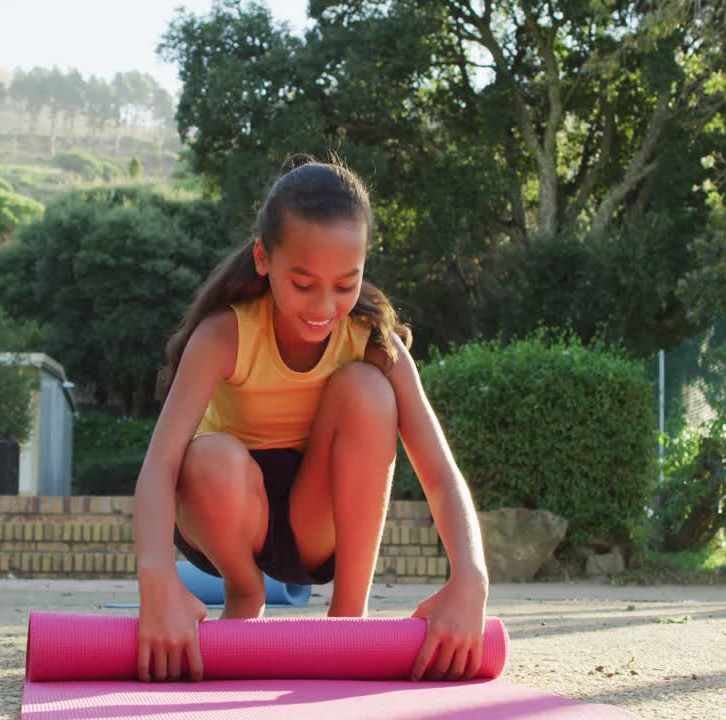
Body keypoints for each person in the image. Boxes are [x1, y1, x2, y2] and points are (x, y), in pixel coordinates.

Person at [132, 153, 489, 684]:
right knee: (210, 457)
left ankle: (348, 616)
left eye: (345, 285)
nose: (324, 305)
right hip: (225, 516)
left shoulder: (371, 342)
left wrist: (471, 581)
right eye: (303, 284)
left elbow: (439, 471)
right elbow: (159, 464)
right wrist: (157, 580)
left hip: (313, 522)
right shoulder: (223, 336)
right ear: (263, 259)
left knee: (370, 389)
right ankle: (246, 590)